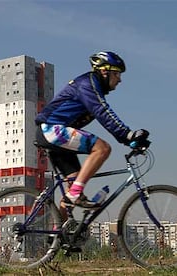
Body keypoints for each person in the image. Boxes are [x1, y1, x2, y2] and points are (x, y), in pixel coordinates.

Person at [35, 51, 149, 210]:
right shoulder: (88, 84)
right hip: (52, 129)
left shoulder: (91, 86)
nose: (120, 79)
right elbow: (103, 112)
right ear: (104, 71)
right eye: (117, 74)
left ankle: (58, 232)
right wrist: (127, 135)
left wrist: (127, 139)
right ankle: (74, 195)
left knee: (73, 188)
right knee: (102, 149)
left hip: (54, 134)